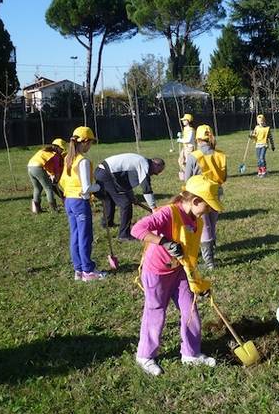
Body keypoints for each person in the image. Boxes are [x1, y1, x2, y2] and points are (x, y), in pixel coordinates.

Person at [130, 175, 224, 376]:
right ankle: (145, 356)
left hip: (180, 271)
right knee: (156, 312)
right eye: (207, 206)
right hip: (157, 272)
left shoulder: (196, 219)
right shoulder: (169, 213)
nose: (209, 211)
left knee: (190, 308)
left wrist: (198, 282)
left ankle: (190, 354)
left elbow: (190, 253)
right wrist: (163, 242)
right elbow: (137, 229)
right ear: (196, 201)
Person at [59, 126, 105, 282]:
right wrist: (99, 187)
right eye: (90, 142)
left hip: (69, 200)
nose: (90, 146)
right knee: (85, 236)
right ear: (84, 142)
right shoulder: (83, 161)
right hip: (80, 201)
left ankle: (78, 269)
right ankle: (88, 271)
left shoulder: (68, 158)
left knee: (75, 235)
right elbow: (86, 187)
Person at [184, 124, 227, 270]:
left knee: (204, 227)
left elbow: (187, 179)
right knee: (212, 223)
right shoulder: (220, 154)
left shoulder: (193, 156)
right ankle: (211, 249)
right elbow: (224, 176)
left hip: (200, 196)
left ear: (197, 139)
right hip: (216, 192)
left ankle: (209, 263)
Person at [94, 154, 165, 241]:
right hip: (106, 173)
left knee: (109, 199)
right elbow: (146, 189)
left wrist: (132, 196)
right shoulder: (144, 164)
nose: (157, 174)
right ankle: (124, 235)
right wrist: (153, 208)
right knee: (125, 204)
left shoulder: (139, 162)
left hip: (101, 171)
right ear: (155, 164)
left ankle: (107, 223)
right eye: (159, 170)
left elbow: (124, 183)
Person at [27, 138, 67, 213]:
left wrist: (51, 175)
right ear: (57, 147)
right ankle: (54, 209)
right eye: (62, 149)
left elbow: (47, 165)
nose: (62, 151)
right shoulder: (55, 155)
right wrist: (56, 180)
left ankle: (36, 209)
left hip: (30, 167)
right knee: (48, 188)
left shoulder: (44, 150)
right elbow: (57, 170)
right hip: (38, 168)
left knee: (37, 188)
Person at [176, 113, 196, 180]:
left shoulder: (191, 130)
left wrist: (180, 140)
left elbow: (188, 140)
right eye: (183, 120)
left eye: (184, 120)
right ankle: (188, 173)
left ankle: (190, 175)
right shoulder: (185, 129)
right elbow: (185, 137)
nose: (183, 121)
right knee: (180, 161)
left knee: (188, 162)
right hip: (185, 148)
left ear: (188, 121)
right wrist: (181, 136)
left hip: (189, 148)